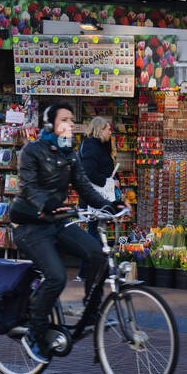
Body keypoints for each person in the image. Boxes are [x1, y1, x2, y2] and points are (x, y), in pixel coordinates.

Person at [9, 102, 124, 362]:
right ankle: (35, 335)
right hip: (31, 225)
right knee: (57, 277)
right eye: (65, 120)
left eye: (72, 120)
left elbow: (84, 186)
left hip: (57, 221)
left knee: (97, 254)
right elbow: (28, 187)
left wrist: (108, 203)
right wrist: (45, 202)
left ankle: (91, 308)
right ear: (50, 124)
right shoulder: (32, 151)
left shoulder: (70, 154)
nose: (71, 124)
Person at [77, 115, 116, 282]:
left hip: (98, 197)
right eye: (107, 129)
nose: (110, 132)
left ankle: (85, 273)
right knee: (95, 232)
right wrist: (108, 181)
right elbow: (89, 172)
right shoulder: (92, 147)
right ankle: (94, 272)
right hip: (94, 198)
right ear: (100, 129)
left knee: (95, 231)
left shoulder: (99, 146)